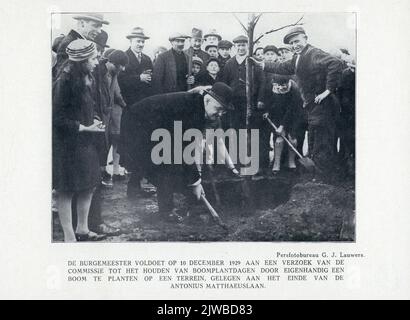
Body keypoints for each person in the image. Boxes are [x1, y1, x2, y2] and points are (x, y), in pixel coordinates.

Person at [121, 83, 234, 222]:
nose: (220, 114)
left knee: (169, 163)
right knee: (166, 164)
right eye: (218, 109)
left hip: (154, 127)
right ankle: (167, 211)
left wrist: (195, 182)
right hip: (138, 126)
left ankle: (176, 204)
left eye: (223, 111)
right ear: (207, 100)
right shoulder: (192, 111)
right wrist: (195, 182)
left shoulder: (199, 107)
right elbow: (184, 150)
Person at [251, 27, 343, 181]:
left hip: (323, 106)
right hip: (313, 107)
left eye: (297, 41)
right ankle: (318, 177)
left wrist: (327, 90)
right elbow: (283, 67)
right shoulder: (298, 57)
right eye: (292, 43)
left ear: (305, 39)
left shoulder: (313, 53)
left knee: (322, 143)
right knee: (314, 141)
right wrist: (263, 65)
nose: (295, 45)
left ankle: (322, 179)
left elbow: (336, 63)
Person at [53, 39, 106, 242]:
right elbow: (56, 118)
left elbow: (85, 108)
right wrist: (83, 127)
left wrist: (93, 120)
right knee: (66, 190)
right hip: (67, 145)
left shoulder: (87, 77)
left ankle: (82, 229)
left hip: (85, 142)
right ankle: (69, 237)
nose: (97, 62)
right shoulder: (64, 82)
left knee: (89, 184)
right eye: (93, 58)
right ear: (82, 60)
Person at [117, 27, 156, 198]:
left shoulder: (147, 59)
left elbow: (152, 81)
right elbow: (120, 82)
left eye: (142, 41)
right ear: (131, 41)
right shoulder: (124, 58)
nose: (140, 44)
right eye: (137, 41)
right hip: (130, 109)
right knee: (131, 147)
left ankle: (136, 186)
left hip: (145, 110)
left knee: (143, 146)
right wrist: (138, 78)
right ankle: (132, 188)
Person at [219, 35, 265, 131]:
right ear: (235, 47)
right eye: (238, 45)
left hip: (251, 100)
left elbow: (262, 81)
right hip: (234, 102)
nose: (241, 48)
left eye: (243, 45)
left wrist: (260, 99)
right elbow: (225, 83)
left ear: (247, 46)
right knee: (236, 127)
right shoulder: (229, 63)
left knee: (251, 128)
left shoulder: (254, 61)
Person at [263, 75, 306, 174]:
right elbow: (269, 101)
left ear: (287, 83)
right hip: (277, 114)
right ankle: (276, 163)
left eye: (283, 85)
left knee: (292, 139)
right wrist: (267, 111)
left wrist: (282, 126)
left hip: (294, 116)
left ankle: (291, 162)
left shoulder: (294, 89)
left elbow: (291, 110)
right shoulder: (270, 86)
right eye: (277, 85)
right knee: (279, 139)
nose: (280, 88)